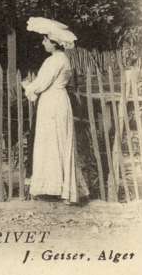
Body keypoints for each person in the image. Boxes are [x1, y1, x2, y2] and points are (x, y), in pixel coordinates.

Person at [22, 17, 89, 204]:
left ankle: (59, 188)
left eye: (45, 40)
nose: (43, 43)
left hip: (52, 103)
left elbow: (41, 84)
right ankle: (58, 187)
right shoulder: (63, 59)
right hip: (59, 102)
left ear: (53, 42)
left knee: (52, 142)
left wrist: (28, 86)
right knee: (57, 142)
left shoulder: (53, 61)